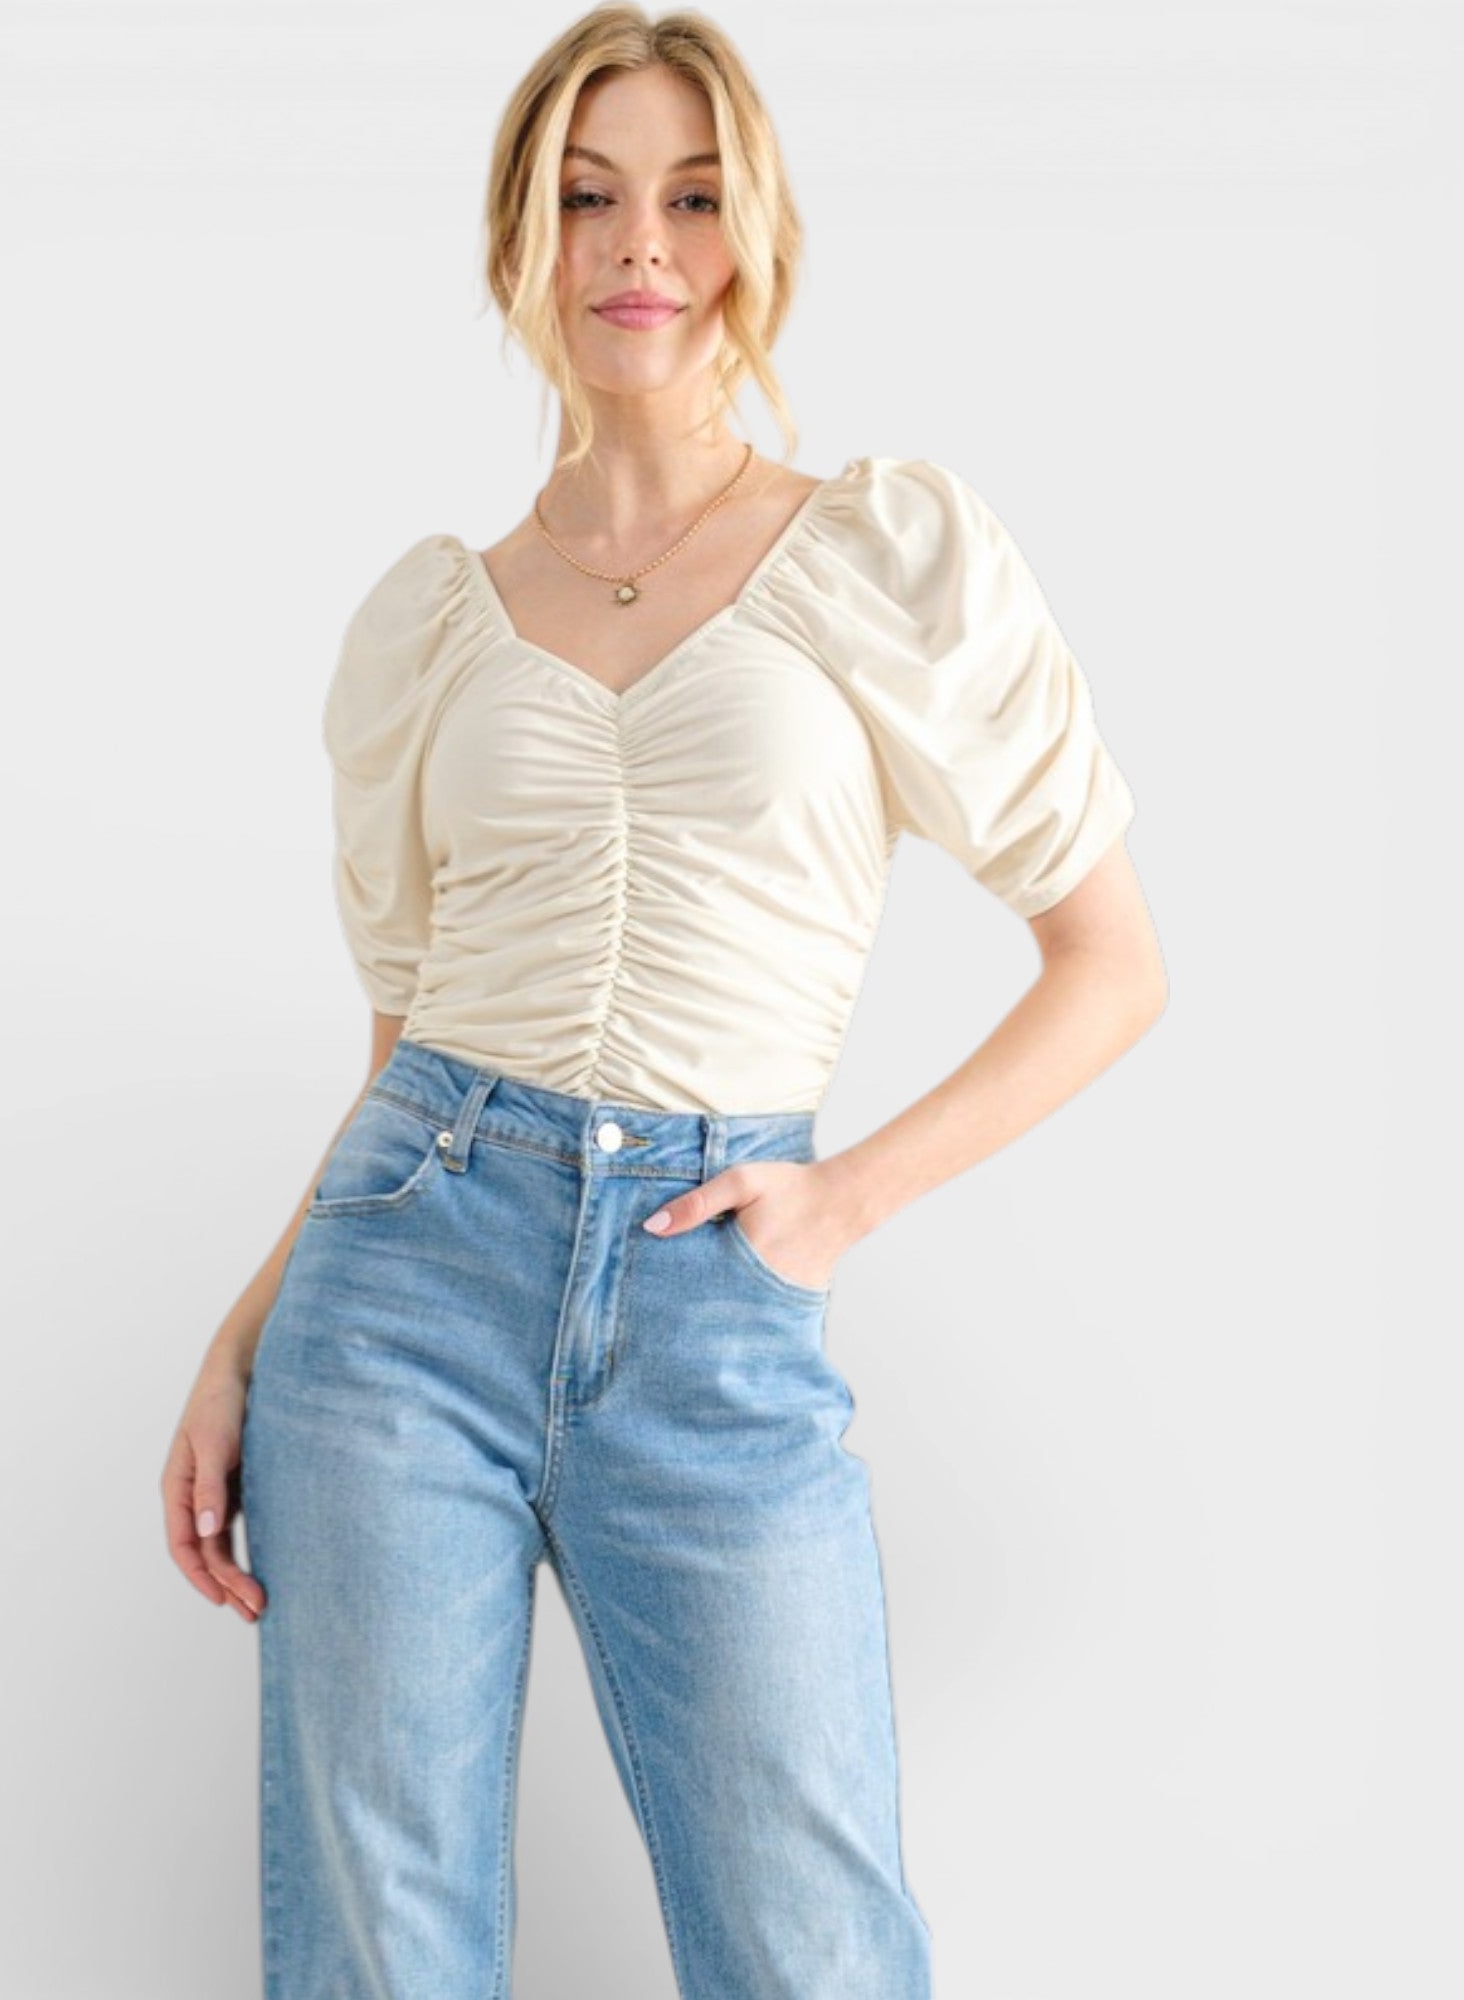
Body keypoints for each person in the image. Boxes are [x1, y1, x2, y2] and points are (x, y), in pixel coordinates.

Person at [160, 10, 1166, 1996]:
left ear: (756, 233)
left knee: (811, 1935)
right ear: (522, 242)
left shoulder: (878, 559)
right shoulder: (430, 617)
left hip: (715, 1279)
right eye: (588, 196)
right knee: (379, 1939)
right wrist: (239, 1337)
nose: (642, 246)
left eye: (691, 198)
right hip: (397, 1285)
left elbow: (1111, 963)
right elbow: (396, 1042)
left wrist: (845, 1195)